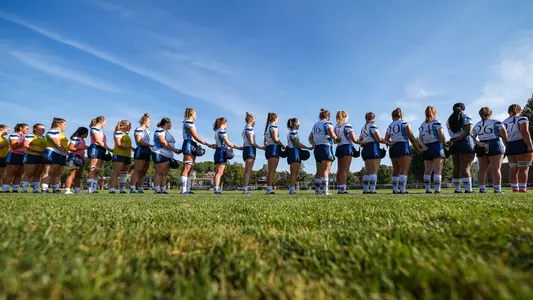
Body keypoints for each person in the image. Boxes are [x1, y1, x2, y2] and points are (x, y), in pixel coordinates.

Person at [383, 108, 419, 194]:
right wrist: (417, 147)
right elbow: (411, 137)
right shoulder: (405, 124)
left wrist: (390, 143)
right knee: (404, 169)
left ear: (392, 116)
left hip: (393, 147)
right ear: (401, 115)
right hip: (403, 146)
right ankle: (403, 189)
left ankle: (395, 189)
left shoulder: (390, 126)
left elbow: (386, 140)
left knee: (396, 169)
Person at [181, 108, 215, 194]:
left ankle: (187, 189)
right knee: (187, 167)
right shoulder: (188, 122)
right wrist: (207, 144)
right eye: (195, 114)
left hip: (191, 144)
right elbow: (195, 136)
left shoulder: (189, 122)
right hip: (188, 143)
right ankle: (183, 190)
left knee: (190, 168)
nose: (196, 116)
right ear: (191, 114)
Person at [473, 107, 507, 193]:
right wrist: (507, 145)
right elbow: (504, 135)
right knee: (496, 169)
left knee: (482, 169)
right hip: (495, 143)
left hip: (481, 145)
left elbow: (472, 138)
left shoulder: (477, 125)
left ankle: (482, 189)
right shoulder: (497, 122)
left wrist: (478, 143)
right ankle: (497, 189)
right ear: (490, 113)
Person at [503, 104, 533, 192]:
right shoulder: (522, 119)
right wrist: (530, 145)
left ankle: (515, 188)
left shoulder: (504, 122)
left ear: (509, 112)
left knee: (513, 168)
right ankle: (523, 188)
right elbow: (524, 132)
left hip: (510, 144)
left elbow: (503, 136)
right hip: (521, 143)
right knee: (523, 168)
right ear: (520, 110)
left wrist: (507, 145)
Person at [447, 103, 475, 193]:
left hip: (453, 143)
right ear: (464, 108)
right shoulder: (466, 116)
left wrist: (454, 141)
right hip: (465, 142)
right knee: (466, 167)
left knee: (456, 167)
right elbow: (468, 132)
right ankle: (468, 189)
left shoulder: (449, 119)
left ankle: (457, 189)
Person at [309, 109, 339, 195]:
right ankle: (325, 191)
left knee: (319, 171)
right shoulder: (327, 123)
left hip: (317, 148)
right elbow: (332, 135)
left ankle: (317, 191)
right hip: (326, 147)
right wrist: (338, 138)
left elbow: (310, 138)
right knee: (326, 170)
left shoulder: (315, 125)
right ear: (328, 117)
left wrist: (313, 144)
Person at [418, 106, 447, 193]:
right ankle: (437, 190)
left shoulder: (422, 125)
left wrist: (423, 146)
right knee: (438, 169)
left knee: (427, 169)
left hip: (427, 147)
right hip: (436, 145)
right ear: (434, 113)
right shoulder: (436, 122)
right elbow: (440, 134)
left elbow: (420, 138)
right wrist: (445, 143)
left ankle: (427, 189)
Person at [212, 117, 242, 194]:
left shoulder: (216, 131)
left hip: (217, 151)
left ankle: (216, 188)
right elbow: (228, 142)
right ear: (223, 123)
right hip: (222, 151)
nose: (227, 126)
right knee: (219, 173)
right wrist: (237, 147)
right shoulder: (222, 131)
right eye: (226, 124)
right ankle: (216, 190)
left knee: (217, 172)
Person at [152, 118, 181, 194]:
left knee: (164, 173)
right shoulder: (160, 130)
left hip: (167, 155)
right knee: (159, 172)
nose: (171, 125)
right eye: (170, 123)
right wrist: (174, 150)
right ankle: (157, 190)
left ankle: (163, 189)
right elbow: (163, 142)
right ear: (166, 123)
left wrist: (175, 150)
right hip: (160, 153)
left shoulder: (166, 132)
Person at [334, 111, 360, 194]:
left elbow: (335, 141)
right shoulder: (347, 125)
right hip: (347, 147)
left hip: (339, 147)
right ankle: (343, 189)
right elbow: (354, 139)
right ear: (345, 116)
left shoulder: (336, 126)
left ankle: (339, 188)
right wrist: (362, 142)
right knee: (345, 169)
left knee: (340, 169)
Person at [359, 112, 385, 194]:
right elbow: (379, 138)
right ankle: (372, 190)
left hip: (366, 148)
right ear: (373, 118)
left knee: (368, 171)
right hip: (373, 147)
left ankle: (366, 189)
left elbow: (360, 140)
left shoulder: (363, 128)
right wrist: (388, 142)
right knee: (374, 170)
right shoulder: (372, 126)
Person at [42, 118, 69, 193]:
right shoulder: (53, 131)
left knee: (57, 173)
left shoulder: (61, 133)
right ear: (58, 124)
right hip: (52, 152)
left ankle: (55, 189)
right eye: (64, 124)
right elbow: (57, 144)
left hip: (61, 154)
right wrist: (68, 154)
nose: (65, 126)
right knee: (49, 172)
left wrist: (66, 153)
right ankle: (44, 189)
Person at [287, 118, 313, 195]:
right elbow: (298, 144)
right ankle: (292, 190)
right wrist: (308, 147)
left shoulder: (293, 132)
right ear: (294, 124)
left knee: (294, 172)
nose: (299, 125)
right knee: (294, 172)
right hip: (294, 152)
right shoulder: (293, 132)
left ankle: (292, 189)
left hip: (294, 151)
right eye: (298, 123)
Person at [87, 116, 112, 193]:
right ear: (101, 121)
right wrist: (109, 149)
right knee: (93, 170)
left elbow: (103, 143)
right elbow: (98, 140)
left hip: (101, 149)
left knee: (97, 170)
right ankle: (90, 189)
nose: (105, 124)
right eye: (105, 122)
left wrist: (109, 149)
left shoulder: (101, 131)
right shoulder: (94, 128)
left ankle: (94, 189)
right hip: (95, 148)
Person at [241, 112, 265, 195]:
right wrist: (261, 147)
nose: (255, 123)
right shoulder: (250, 129)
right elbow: (251, 142)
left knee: (246, 170)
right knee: (248, 171)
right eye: (254, 121)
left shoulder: (244, 128)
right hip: (250, 149)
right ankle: (245, 190)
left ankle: (244, 188)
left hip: (246, 149)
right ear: (251, 120)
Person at [2, 123, 29, 193]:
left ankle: (15, 189)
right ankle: (6, 189)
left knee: (19, 174)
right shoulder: (14, 135)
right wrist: (24, 142)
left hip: (23, 155)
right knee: (10, 173)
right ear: (20, 128)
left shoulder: (24, 137)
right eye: (26, 128)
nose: (28, 130)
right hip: (14, 155)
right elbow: (14, 146)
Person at [21, 124, 46, 193]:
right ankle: (24, 189)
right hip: (31, 155)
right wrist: (39, 150)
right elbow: (26, 145)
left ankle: (35, 189)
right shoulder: (31, 135)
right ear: (35, 129)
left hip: (41, 157)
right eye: (41, 128)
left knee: (38, 174)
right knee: (29, 173)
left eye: (44, 129)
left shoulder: (44, 137)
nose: (43, 130)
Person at [130, 113, 152, 194]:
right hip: (141, 150)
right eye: (149, 121)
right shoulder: (138, 129)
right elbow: (139, 141)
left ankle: (140, 189)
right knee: (137, 170)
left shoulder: (148, 132)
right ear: (144, 121)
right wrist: (150, 145)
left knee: (144, 171)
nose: (150, 123)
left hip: (147, 151)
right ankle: (132, 189)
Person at [264, 112, 285, 195]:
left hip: (269, 148)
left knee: (271, 171)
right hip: (273, 148)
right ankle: (269, 190)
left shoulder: (268, 127)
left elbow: (265, 142)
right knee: (271, 171)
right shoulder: (273, 126)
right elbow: (276, 139)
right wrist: (282, 145)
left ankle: (269, 189)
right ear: (275, 118)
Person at [110, 120, 133, 194]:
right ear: (124, 126)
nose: (131, 127)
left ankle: (122, 190)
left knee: (124, 173)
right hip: (119, 155)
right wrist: (129, 146)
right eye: (129, 125)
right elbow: (119, 144)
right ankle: (112, 190)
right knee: (116, 173)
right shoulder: (119, 132)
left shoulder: (125, 134)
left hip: (127, 155)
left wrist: (132, 148)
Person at [64, 127, 89, 195]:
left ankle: (77, 191)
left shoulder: (82, 140)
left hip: (81, 158)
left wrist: (87, 147)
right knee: (72, 174)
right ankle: (67, 190)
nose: (87, 135)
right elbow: (70, 147)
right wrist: (81, 148)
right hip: (74, 158)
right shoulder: (76, 138)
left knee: (78, 175)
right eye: (87, 133)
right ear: (83, 133)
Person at [0, 125, 10, 191]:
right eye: (7, 130)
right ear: (1, 129)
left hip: (3, 158)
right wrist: (6, 143)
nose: (8, 131)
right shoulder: (5, 140)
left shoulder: (5, 139)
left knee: (1, 174)